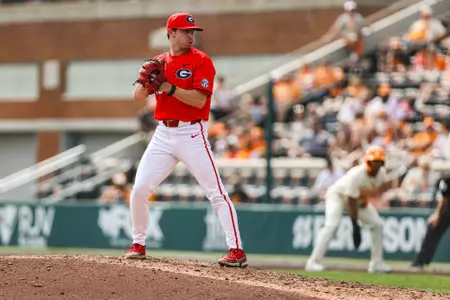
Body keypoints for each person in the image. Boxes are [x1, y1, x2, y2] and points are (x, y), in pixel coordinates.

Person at [125, 12, 248, 268]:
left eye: (193, 31)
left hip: (192, 133)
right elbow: (138, 96)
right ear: (171, 33)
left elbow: (200, 100)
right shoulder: (159, 61)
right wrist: (149, 80)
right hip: (163, 133)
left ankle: (236, 249)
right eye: (185, 31)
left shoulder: (201, 61)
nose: (191, 35)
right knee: (139, 190)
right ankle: (138, 243)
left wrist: (167, 87)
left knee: (216, 193)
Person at [305, 145, 402, 273]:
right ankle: (313, 262)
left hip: (358, 199)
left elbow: (376, 191)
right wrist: (355, 225)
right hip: (338, 195)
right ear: (368, 161)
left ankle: (376, 263)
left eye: (379, 162)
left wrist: (389, 184)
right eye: (374, 162)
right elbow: (350, 200)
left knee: (377, 224)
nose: (376, 165)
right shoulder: (357, 174)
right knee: (331, 225)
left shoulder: (382, 174)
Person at [411, 175, 450, 270]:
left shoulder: (447, 179)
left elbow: (444, 200)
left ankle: (420, 262)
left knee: (433, 229)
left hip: (447, 210)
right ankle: (420, 261)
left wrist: (438, 215)